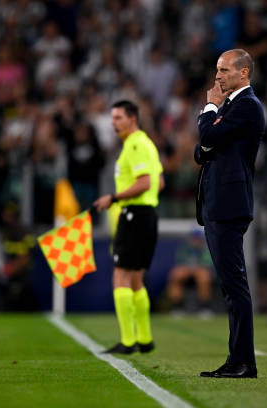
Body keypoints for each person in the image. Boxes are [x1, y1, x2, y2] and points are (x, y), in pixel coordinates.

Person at [194, 49, 265, 378]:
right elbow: (201, 151)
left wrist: (210, 108)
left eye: (224, 70)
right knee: (230, 285)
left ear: (244, 74)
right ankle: (237, 359)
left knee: (234, 286)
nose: (218, 76)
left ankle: (243, 362)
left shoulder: (247, 106)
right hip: (217, 204)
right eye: (217, 69)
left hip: (228, 204)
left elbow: (207, 136)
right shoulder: (233, 108)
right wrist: (213, 123)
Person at [93, 100, 164, 354]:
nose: (114, 123)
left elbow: (146, 182)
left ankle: (127, 340)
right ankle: (144, 339)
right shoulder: (146, 144)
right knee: (135, 279)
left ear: (132, 119)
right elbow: (160, 182)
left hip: (134, 214)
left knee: (121, 276)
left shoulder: (135, 144)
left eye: (118, 118)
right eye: (112, 118)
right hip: (147, 215)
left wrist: (113, 198)